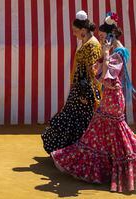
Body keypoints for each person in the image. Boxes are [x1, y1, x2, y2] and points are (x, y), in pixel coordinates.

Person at [51, 12, 136, 192]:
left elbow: (107, 78)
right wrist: (100, 63)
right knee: (102, 134)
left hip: (113, 99)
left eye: (102, 35)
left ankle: (134, 169)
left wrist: (104, 57)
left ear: (110, 35)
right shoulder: (114, 52)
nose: (100, 38)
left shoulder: (118, 52)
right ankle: (101, 170)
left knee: (111, 135)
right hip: (110, 97)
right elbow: (101, 75)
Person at [42, 10, 102, 154]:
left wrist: (85, 93)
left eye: (76, 31)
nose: (74, 33)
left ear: (83, 30)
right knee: (71, 119)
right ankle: (69, 152)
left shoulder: (92, 45)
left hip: (85, 91)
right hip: (79, 88)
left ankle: (76, 152)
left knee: (78, 121)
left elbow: (92, 71)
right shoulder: (85, 42)